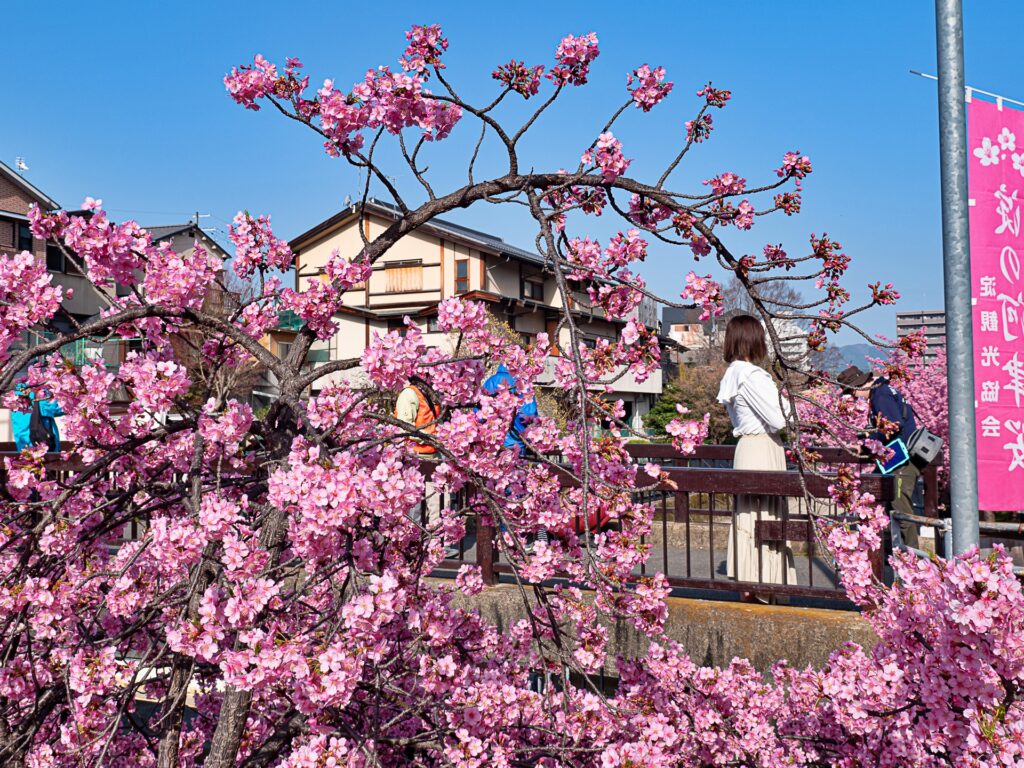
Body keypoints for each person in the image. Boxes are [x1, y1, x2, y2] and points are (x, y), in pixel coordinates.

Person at [716, 315, 796, 600]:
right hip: (763, 448)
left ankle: (754, 582)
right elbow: (779, 418)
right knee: (764, 515)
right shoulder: (750, 375)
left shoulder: (733, 373)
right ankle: (764, 584)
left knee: (750, 516)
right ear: (754, 338)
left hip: (748, 449)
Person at [836, 365, 920, 551]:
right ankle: (888, 552)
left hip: (901, 460)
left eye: (852, 392)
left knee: (901, 509)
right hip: (894, 459)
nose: (855, 397)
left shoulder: (881, 394)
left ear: (858, 386)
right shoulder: (883, 391)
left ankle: (910, 558)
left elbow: (893, 425)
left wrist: (868, 441)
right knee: (872, 497)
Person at [480, 364, 549, 549]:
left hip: (491, 444)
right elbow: (528, 414)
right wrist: (522, 432)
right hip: (515, 445)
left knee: (497, 489)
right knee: (518, 489)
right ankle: (519, 534)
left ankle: (503, 534)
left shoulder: (489, 382)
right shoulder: (521, 383)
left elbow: (478, 414)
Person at [394, 375, 443, 531]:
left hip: (434, 455)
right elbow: (403, 428)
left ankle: (438, 542)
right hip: (414, 456)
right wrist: (429, 437)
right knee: (414, 504)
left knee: (438, 503)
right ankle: (412, 542)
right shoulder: (409, 394)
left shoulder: (432, 394)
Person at [12, 384, 63, 452]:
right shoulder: (38, 393)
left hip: (23, 443)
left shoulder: (15, 396)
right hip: (41, 444)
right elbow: (59, 407)